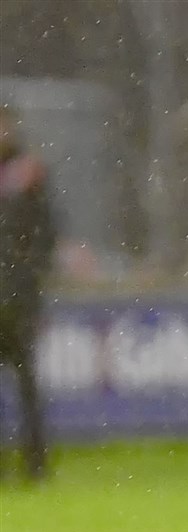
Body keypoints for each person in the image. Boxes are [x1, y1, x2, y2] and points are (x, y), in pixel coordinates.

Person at [0, 102, 54, 482]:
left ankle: (35, 464)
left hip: (19, 295)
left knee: (27, 381)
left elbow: (46, 228)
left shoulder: (29, 173)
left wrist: (29, 270)